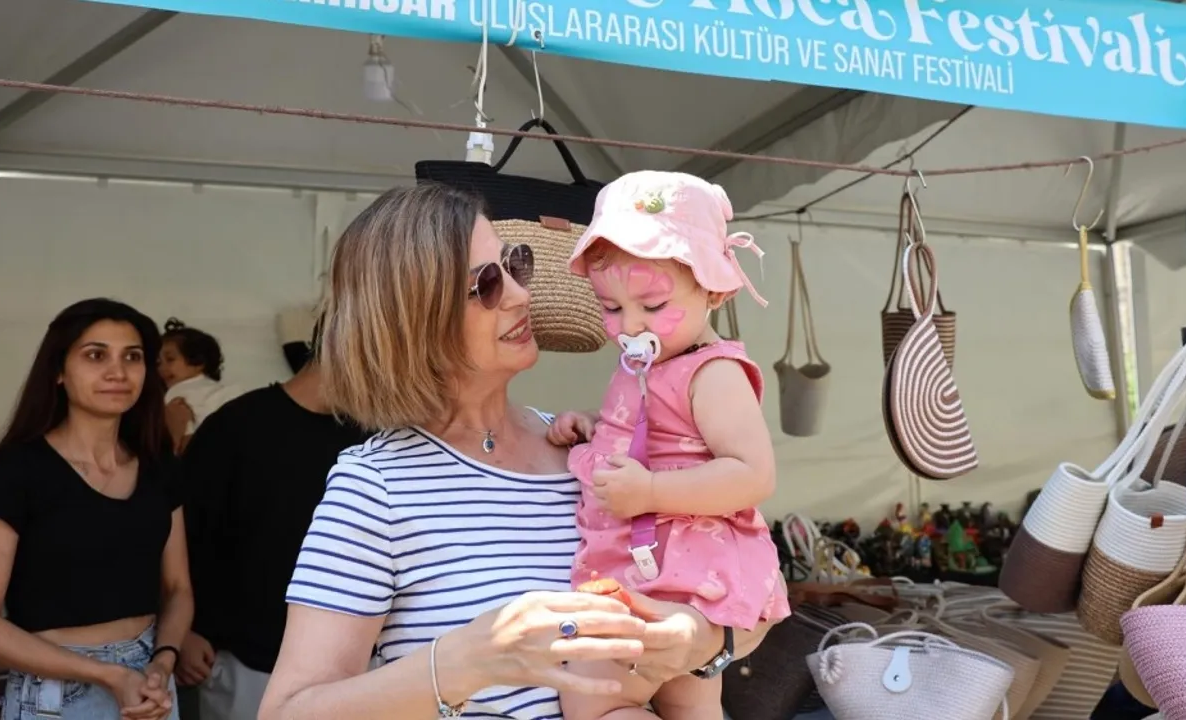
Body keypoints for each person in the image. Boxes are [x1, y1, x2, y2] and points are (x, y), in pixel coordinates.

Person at [257, 183, 771, 720]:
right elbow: (286, 713)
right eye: (485, 284)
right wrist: (467, 660)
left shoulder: (588, 451)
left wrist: (703, 643)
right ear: (411, 318)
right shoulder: (374, 485)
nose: (522, 294)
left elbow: (759, 592)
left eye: (514, 264)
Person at [551, 171, 788, 720]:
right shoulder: (648, 363)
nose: (630, 325)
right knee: (688, 704)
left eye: (653, 305)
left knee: (592, 703)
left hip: (682, 578)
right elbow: (652, 431)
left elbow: (753, 474)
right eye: (611, 307)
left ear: (714, 290)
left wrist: (651, 491)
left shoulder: (714, 372)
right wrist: (594, 426)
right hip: (648, 567)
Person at [0, 298, 192, 719]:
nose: (118, 372)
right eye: (96, 355)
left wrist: (163, 661)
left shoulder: (158, 466)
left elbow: (178, 588)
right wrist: (108, 674)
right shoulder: (15, 471)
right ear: (59, 371)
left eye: (132, 357)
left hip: (151, 683)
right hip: (55, 689)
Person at [174, 338, 370, 720]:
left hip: (355, 664)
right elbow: (184, 537)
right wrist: (186, 631)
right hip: (245, 664)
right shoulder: (236, 425)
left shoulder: (375, 434)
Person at [159, 318, 234, 454]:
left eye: (170, 359)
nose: (162, 368)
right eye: (158, 363)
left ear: (198, 362)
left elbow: (185, 437)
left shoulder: (176, 392)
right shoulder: (223, 390)